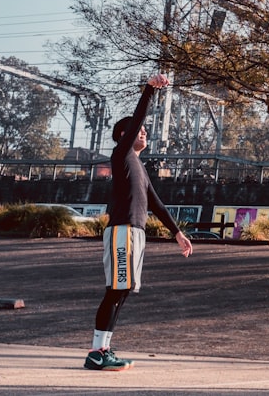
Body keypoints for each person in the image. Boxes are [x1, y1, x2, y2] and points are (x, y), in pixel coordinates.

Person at [84, 73, 193, 371]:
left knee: (123, 289)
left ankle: (103, 348)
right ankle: (97, 352)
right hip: (122, 231)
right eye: (138, 130)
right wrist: (149, 90)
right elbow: (136, 120)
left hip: (135, 232)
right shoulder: (121, 155)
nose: (144, 133)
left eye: (144, 130)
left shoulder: (138, 167)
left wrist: (177, 233)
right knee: (116, 289)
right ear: (125, 136)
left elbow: (155, 203)